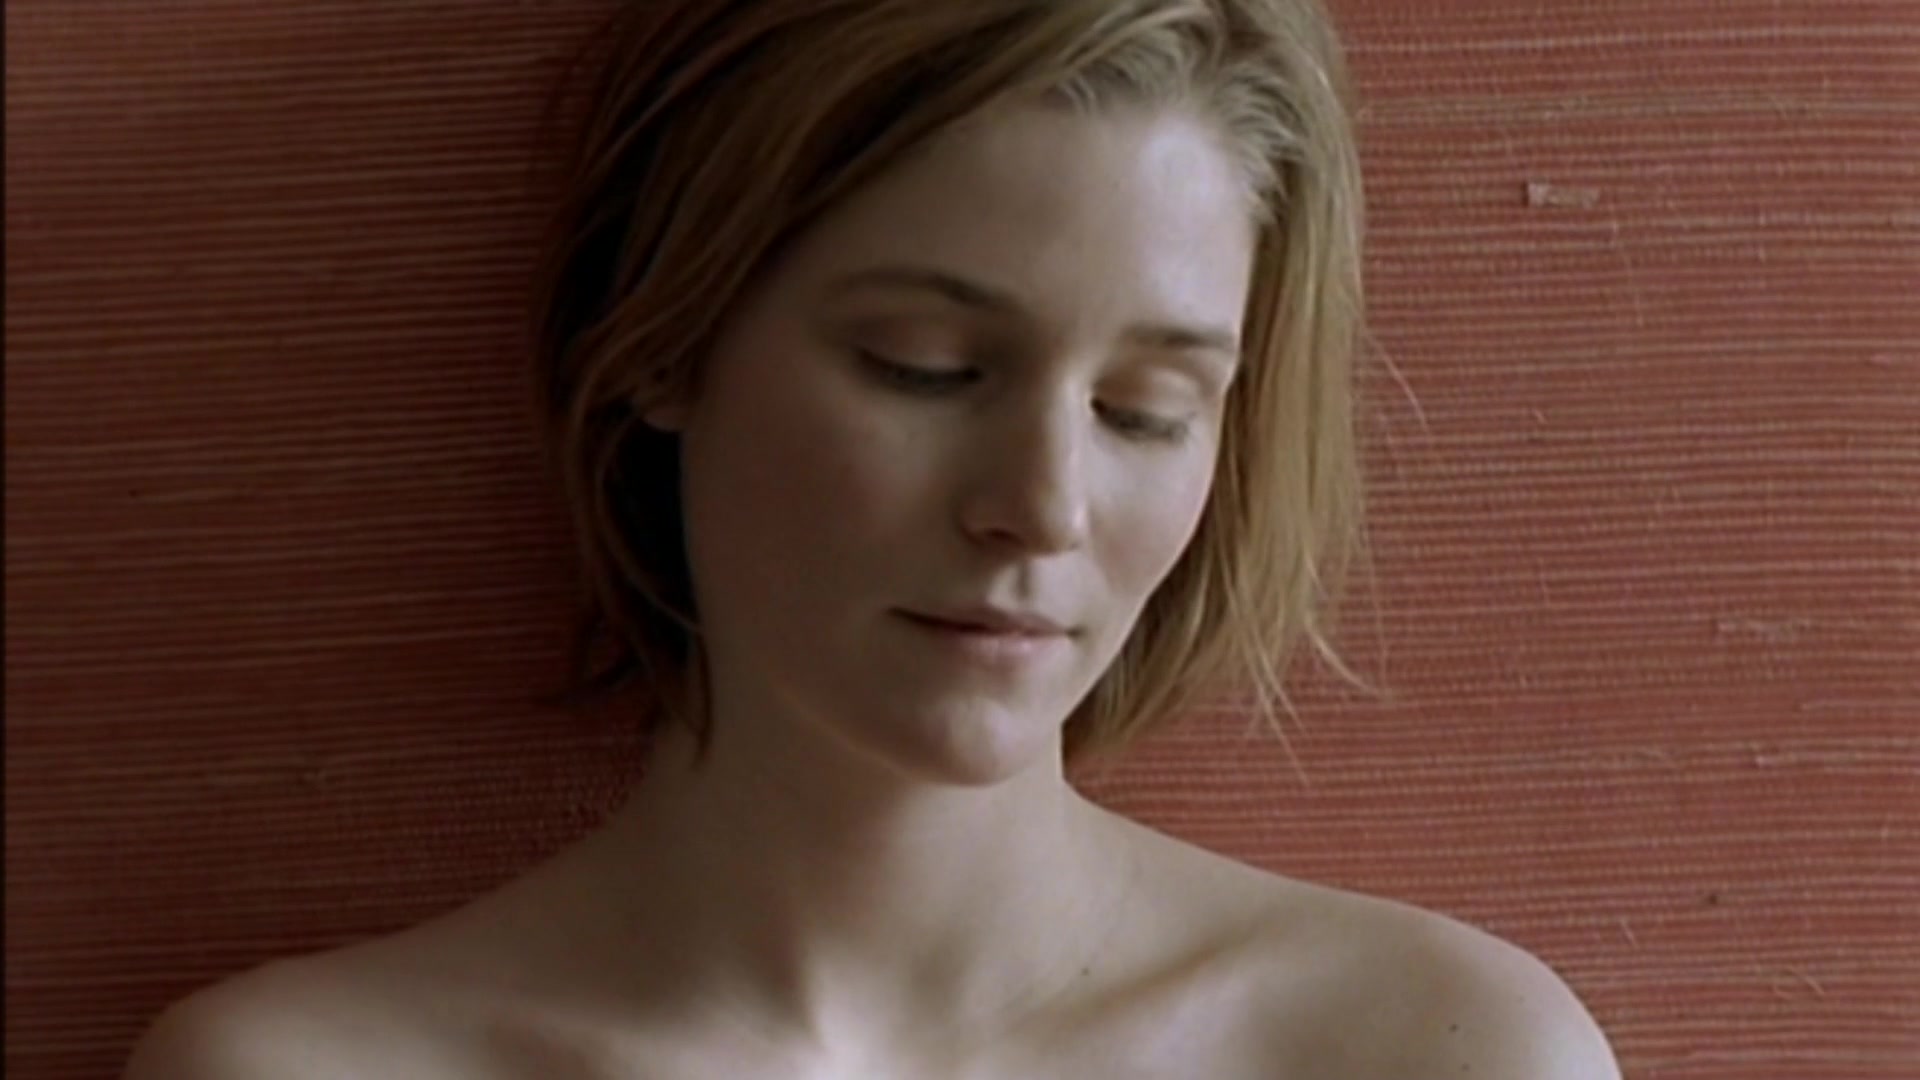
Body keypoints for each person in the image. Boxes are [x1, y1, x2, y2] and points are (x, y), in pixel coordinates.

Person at [124, 1, 1620, 1076]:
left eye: (1146, 409)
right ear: (669, 336)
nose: (1043, 504)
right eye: (925, 367)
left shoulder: (1436, 1050)